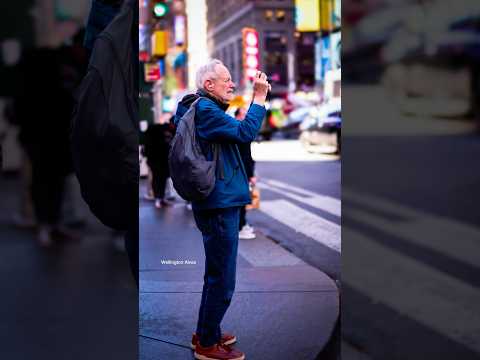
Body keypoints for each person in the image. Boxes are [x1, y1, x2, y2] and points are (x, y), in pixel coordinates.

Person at [175, 59, 270, 360]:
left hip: (217, 201)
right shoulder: (205, 110)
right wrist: (259, 99)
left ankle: (207, 332)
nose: (232, 84)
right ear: (208, 85)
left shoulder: (201, 108)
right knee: (223, 277)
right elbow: (245, 133)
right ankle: (206, 344)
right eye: (226, 80)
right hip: (219, 203)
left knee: (215, 273)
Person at [234, 108, 256, 240]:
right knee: (241, 200)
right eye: (243, 115)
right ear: (238, 116)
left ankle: (242, 225)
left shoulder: (234, 129)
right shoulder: (241, 131)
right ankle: (240, 227)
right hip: (241, 171)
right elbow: (246, 156)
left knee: (241, 200)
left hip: (238, 170)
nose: (246, 117)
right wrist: (251, 174)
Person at [143, 119, 175, 209]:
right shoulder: (158, 130)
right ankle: (158, 198)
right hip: (156, 159)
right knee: (158, 179)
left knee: (162, 179)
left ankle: (161, 198)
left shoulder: (166, 130)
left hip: (160, 160)